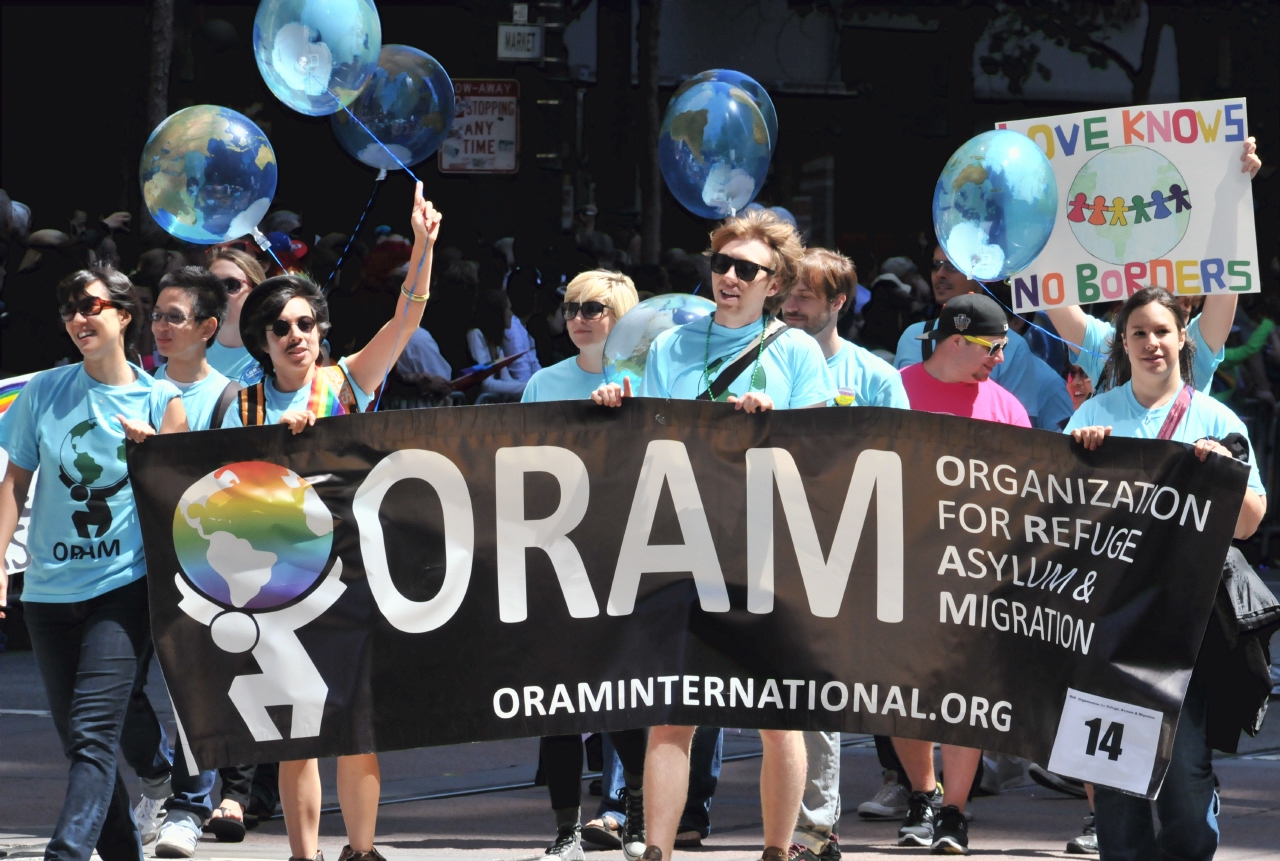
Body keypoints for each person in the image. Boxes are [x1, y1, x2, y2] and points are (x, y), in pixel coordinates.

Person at [593, 208, 833, 861]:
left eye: (746, 268)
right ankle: (658, 849)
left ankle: (778, 851)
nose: (729, 276)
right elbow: (646, 444)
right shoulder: (671, 346)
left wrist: (775, 421)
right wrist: (620, 407)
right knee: (674, 713)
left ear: (775, 282)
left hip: (769, 551)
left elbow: (824, 454)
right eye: (722, 263)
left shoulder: (799, 352)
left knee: (778, 715)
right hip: (684, 542)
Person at [223, 183, 441, 861]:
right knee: (301, 729)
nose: (295, 336)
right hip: (285, 580)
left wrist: (426, 245)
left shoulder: (348, 381)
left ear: (321, 331)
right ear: (262, 341)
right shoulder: (245, 401)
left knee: (358, 720)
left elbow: (407, 317)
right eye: (280, 327)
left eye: (305, 324)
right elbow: (219, 489)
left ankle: (362, 850)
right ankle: (303, 854)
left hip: (355, 569)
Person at [1066, 287, 1265, 861]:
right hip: (1108, 627)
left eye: (1161, 331)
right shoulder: (1092, 416)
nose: (1151, 343)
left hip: (1189, 629)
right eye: (1138, 334)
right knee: (1115, 781)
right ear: (1120, 344)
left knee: (1183, 777)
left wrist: (1224, 475)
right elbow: (1055, 520)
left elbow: (1251, 524)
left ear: (1184, 337)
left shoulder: (1216, 418)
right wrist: (1080, 456)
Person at [0, 267, 186, 861]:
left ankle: (66, 854)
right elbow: (14, 485)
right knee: (84, 745)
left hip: (122, 588)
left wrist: (151, 454)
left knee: (92, 735)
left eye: (90, 306)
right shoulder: (43, 392)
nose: (77, 318)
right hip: (47, 594)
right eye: (68, 308)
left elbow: (178, 509)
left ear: (124, 316)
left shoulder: (162, 400)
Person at [895, 293, 1030, 855]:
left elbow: (1028, 493)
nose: (1001, 358)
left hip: (975, 573)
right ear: (957, 340)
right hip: (899, 566)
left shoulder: (1006, 407)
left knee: (962, 696)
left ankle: (954, 811)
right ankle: (923, 795)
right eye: (993, 347)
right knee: (898, 694)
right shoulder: (894, 388)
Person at [520, 270, 648, 861]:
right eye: (571, 306)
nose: (579, 316)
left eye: (594, 307)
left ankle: (640, 817)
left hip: (631, 559)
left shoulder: (650, 380)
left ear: (622, 314)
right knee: (560, 698)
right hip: (557, 558)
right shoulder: (544, 382)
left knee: (629, 696)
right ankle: (566, 829)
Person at [1043, 137, 1262, 399]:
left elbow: (1226, 278)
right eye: (1141, 327)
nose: (1153, 340)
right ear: (1125, 313)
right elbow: (1048, 285)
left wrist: (1232, 194)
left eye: (1178, 312)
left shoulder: (1195, 353)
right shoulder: (1102, 345)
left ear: (1185, 330)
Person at [783, 247, 908, 410]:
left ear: (837, 302)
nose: (790, 307)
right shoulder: (760, 363)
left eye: (804, 297)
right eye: (785, 295)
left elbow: (897, 435)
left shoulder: (877, 377)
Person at [522, 269, 638, 403]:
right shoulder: (541, 382)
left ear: (621, 316)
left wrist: (631, 415)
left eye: (592, 309)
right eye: (571, 309)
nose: (577, 318)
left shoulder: (651, 380)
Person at [206, 248, 267, 385]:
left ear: (255, 291)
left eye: (230, 285)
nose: (218, 294)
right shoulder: (189, 349)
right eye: (210, 286)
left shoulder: (275, 349)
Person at [467, 290, 527, 400]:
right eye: (508, 309)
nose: (511, 314)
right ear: (498, 313)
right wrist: (527, 387)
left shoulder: (495, 342)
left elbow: (506, 379)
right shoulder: (476, 335)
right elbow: (487, 384)